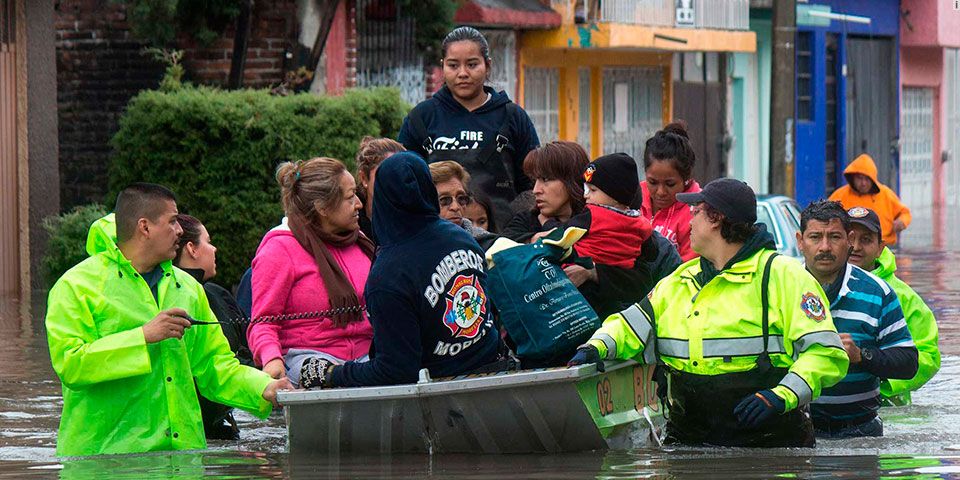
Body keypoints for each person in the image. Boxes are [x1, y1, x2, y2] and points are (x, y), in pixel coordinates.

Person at [569, 178, 849, 448]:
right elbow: (630, 325)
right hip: (689, 440)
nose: (689, 221)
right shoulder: (680, 280)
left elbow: (826, 354)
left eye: (696, 213)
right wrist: (596, 346)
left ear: (716, 219)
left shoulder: (784, 277)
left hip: (771, 443)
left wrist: (782, 396)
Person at [45, 183, 290, 456]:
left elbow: (215, 366)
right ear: (145, 227)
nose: (180, 230)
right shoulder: (76, 286)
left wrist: (264, 386)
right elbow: (71, 363)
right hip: (102, 459)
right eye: (172, 221)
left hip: (182, 458)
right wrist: (143, 336)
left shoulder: (188, 288)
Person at [304, 152, 500, 388]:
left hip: (441, 392)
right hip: (492, 371)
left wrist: (332, 374)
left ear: (382, 199)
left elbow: (396, 371)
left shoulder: (389, 274)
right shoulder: (463, 238)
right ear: (428, 190)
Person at [502, 141, 680, 317]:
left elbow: (645, 281)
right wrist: (534, 241)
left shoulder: (619, 225)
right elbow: (501, 256)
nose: (536, 190)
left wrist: (594, 273)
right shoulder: (525, 222)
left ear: (572, 180)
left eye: (546, 180)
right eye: (534, 180)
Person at [249, 157, 376, 388]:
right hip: (310, 362)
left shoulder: (361, 241)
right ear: (323, 208)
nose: (359, 203)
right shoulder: (279, 248)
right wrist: (271, 359)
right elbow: (263, 322)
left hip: (366, 356)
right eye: (349, 198)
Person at [796, 200, 918, 438]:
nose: (824, 247)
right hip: (797, 432)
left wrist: (861, 356)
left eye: (834, 237)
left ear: (848, 240)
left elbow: (908, 362)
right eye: (815, 237)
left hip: (861, 432)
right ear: (800, 241)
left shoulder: (878, 292)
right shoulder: (780, 288)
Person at [398, 26, 540, 229]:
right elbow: (404, 183)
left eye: (472, 64)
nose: (462, 73)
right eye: (453, 65)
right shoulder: (421, 118)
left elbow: (533, 185)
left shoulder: (513, 117)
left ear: (488, 66)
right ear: (443, 66)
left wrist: (517, 232)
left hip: (503, 243)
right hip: (438, 240)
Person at [846, 206, 939, 406]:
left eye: (866, 239)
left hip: (889, 410)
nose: (855, 246)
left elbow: (928, 357)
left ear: (880, 247)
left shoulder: (904, 297)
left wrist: (882, 383)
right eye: (849, 237)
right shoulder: (814, 288)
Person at [173, 214, 252, 440]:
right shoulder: (200, 297)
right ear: (191, 249)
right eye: (208, 241)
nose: (214, 248)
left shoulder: (218, 294)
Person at [568, 152, 653, 269]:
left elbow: (565, 233)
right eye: (586, 189)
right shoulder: (641, 224)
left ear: (615, 195)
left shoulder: (593, 214)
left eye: (592, 190)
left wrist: (548, 224)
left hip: (581, 266)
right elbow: (652, 254)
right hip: (621, 274)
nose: (585, 195)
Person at [640, 122, 702, 262]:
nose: (661, 192)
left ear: (686, 178)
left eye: (670, 184)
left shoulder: (698, 213)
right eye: (653, 182)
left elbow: (689, 269)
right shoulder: (631, 199)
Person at [828, 153, 911, 246]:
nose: (863, 183)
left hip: (885, 246)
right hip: (850, 246)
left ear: (873, 179)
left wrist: (901, 222)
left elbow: (905, 213)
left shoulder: (886, 194)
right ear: (853, 178)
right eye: (860, 178)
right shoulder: (840, 195)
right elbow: (826, 215)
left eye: (867, 179)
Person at [428, 160, 498, 249]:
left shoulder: (490, 244)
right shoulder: (410, 245)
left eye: (461, 198)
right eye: (444, 200)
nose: (455, 207)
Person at [356, 136, 407, 242]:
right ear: (364, 178)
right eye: (385, 175)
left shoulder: (417, 221)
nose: (394, 184)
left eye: (401, 176)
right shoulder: (349, 226)